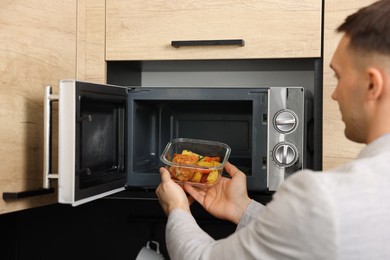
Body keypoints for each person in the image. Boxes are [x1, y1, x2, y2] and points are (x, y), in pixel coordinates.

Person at [155, 0, 390, 259]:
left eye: (338, 76)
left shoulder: (325, 198)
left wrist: (177, 209)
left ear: (372, 85)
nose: (334, 95)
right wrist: (243, 208)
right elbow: (312, 237)